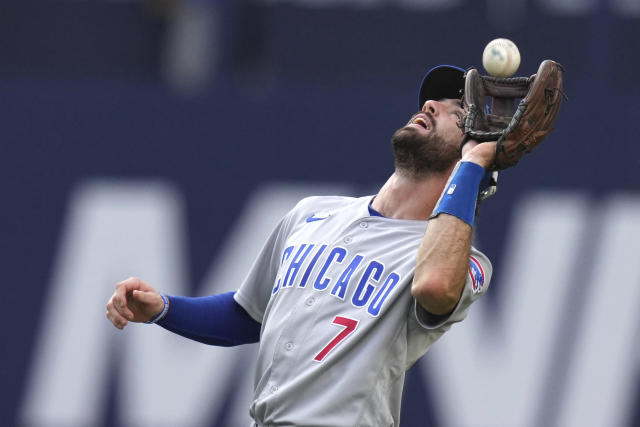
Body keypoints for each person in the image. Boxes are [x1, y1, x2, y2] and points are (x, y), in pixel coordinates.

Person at [106, 64, 496, 427]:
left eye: (457, 112)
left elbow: (434, 287)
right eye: (434, 99)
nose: (430, 105)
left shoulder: (458, 262)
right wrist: (166, 309)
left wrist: (475, 163)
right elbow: (250, 313)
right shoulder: (313, 213)